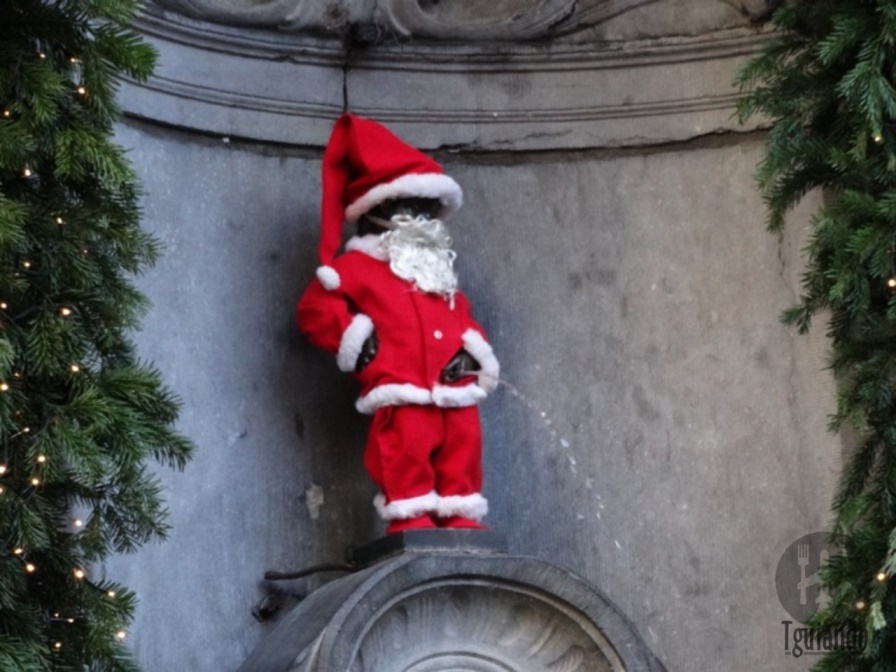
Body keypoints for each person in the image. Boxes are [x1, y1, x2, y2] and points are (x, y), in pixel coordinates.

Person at [297, 113, 499, 534]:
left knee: (463, 445)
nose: (422, 220)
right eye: (411, 209)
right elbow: (316, 308)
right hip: (400, 382)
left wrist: (472, 353)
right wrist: (356, 339)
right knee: (405, 447)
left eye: (428, 211)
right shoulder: (355, 267)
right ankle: (411, 517)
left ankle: (459, 513)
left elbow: (461, 316)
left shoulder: (437, 271)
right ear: (378, 211)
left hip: (454, 386)